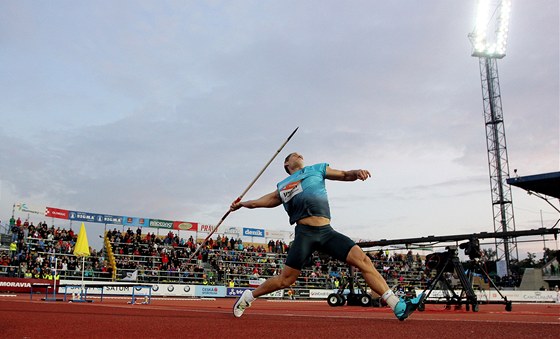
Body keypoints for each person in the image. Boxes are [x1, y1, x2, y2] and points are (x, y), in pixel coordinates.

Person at [230, 152, 423, 320]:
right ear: (286, 165)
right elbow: (263, 201)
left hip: (326, 231)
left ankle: (397, 306)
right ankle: (248, 297)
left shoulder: (317, 169)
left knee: (363, 260)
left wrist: (356, 173)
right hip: (305, 234)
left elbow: (344, 174)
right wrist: (243, 204)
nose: (299, 155)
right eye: (294, 154)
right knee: (285, 280)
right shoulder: (283, 185)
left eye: (300, 154)